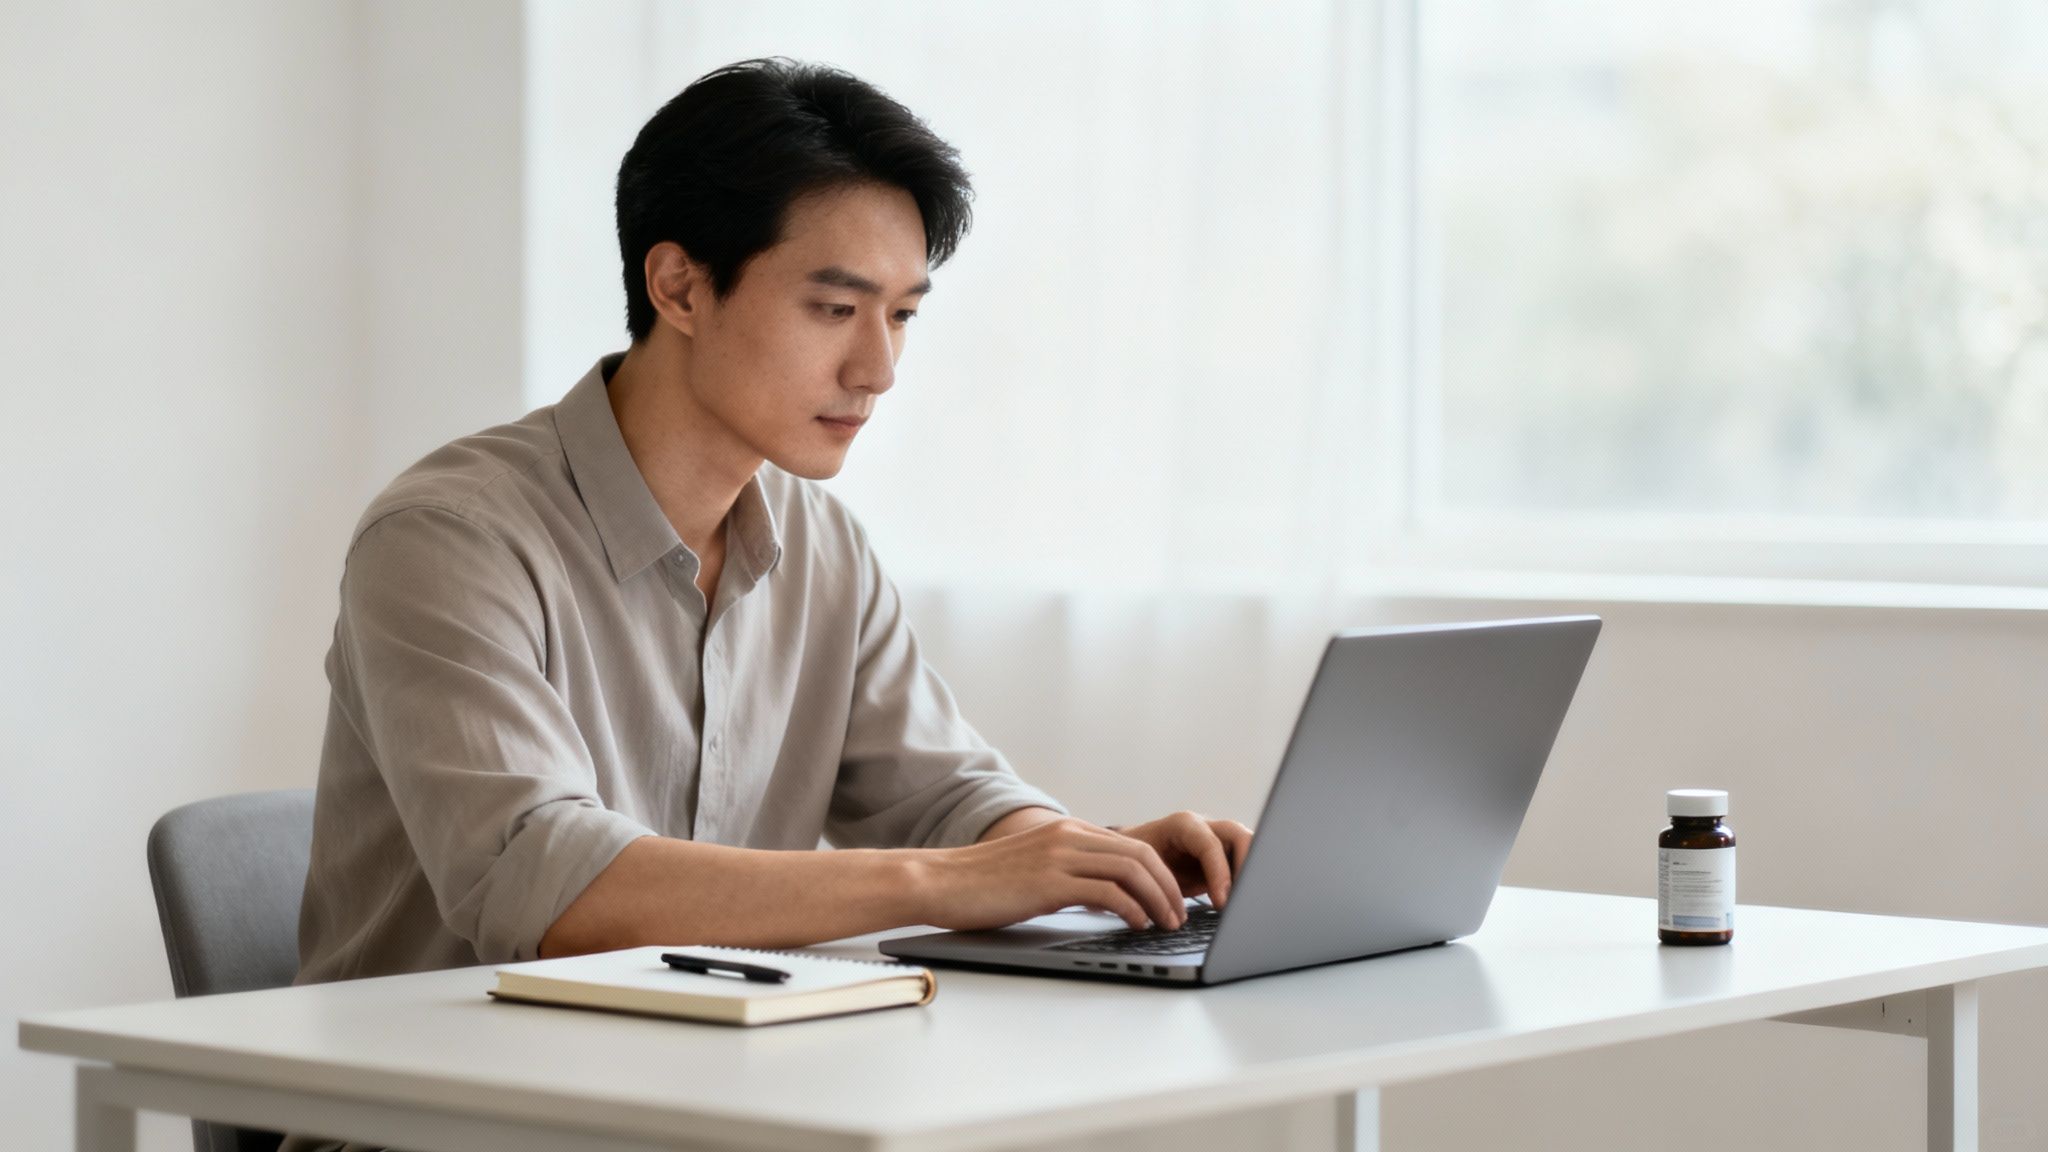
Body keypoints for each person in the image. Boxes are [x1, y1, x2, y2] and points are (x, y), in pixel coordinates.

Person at [292, 57, 1252, 1009]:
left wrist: (1100, 862)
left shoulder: (823, 548)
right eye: (834, 309)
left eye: (903, 315)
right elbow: (549, 887)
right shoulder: (449, 541)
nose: (877, 369)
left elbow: (950, 801)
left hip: (704, 1092)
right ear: (678, 287)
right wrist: (946, 882)